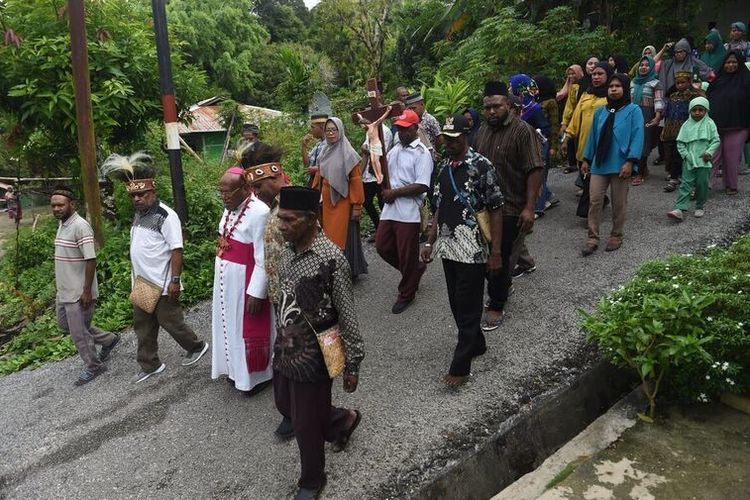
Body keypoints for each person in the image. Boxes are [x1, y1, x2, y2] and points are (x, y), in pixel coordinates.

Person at [273, 186, 364, 500]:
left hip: (315, 352)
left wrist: (352, 363)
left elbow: (348, 316)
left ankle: (312, 479)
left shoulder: (331, 259)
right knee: (285, 404)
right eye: (279, 219)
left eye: (288, 220)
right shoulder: (287, 251)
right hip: (286, 342)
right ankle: (342, 421)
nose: (280, 226)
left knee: (304, 423)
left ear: (311, 220)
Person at [100, 152, 209, 383]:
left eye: (141, 194)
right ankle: (150, 365)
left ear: (153, 192)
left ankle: (197, 347)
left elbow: (176, 249)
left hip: (162, 283)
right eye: (133, 196)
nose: (137, 199)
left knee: (172, 323)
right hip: (142, 283)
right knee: (143, 326)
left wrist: (175, 281)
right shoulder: (139, 215)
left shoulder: (166, 216)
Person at [421, 114, 504, 387]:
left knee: (468, 306)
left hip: (472, 248)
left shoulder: (481, 165)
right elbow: (438, 208)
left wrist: (495, 252)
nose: (450, 144)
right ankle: (476, 344)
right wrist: (429, 241)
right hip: (448, 246)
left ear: (465, 136)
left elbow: (496, 208)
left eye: (455, 139)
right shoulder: (443, 166)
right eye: (447, 139)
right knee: (456, 302)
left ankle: (460, 366)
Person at [474, 81, 543, 331]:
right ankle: (503, 286)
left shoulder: (522, 131)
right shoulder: (482, 131)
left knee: (499, 256)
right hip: (483, 208)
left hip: (510, 207)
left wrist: (529, 207)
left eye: (497, 106)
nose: (492, 111)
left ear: (509, 105)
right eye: (488, 107)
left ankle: (497, 304)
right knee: (482, 256)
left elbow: (535, 169)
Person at [211, 166, 273, 395]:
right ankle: (235, 371)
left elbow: (264, 256)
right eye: (221, 192)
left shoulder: (260, 212)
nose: (224, 197)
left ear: (245, 188)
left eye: (228, 192)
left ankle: (257, 377)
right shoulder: (230, 207)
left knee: (245, 328)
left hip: (245, 282)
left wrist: (256, 292)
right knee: (229, 326)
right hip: (227, 281)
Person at [51, 186, 119, 385]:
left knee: (79, 333)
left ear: (72, 205)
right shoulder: (63, 224)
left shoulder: (80, 226)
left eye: (60, 205)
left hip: (78, 292)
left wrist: (87, 291)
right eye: (54, 205)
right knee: (67, 326)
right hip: (64, 290)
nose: (56, 209)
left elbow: (91, 259)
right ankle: (109, 340)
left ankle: (94, 366)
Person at [376, 109, 433, 314]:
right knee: (382, 246)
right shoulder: (394, 150)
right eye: (399, 129)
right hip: (390, 209)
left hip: (408, 210)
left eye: (406, 129)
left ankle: (407, 292)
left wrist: (396, 193)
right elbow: (384, 172)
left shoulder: (422, 153)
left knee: (407, 253)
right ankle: (414, 271)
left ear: (416, 128)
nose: (401, 133)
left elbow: (422, 185)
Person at [580, 74, 644, 256]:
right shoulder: (601, 111)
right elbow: (593, 137)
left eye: (617, 86)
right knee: (594, 200)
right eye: (611, 86)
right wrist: (586, 158)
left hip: (621, 164)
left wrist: (630, 161)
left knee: (619, 203)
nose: (613, 89)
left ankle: (616, 235)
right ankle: (592, 237)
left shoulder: (633, 110)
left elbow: (637, 136)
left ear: (624, 89)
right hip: (600, 163)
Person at [313, 117, 368, 276]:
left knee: (342, 236)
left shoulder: (348, 153)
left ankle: (348, 270)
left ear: (340, 130)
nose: (331, 134)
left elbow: (356, 181)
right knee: (328, 236)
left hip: (343, 202)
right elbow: (320, 175)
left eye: (334, 130)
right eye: (328, 130)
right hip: (327, 201)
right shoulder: (324, 151)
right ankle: (333, 269)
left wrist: (357, 206)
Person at [563, 62, 612, 217]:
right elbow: (576, 118)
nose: (596, 77)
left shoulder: (612, 97)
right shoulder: (586, 95)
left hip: (601, 147)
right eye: (594, 74)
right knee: (586, 180)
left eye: (600, 74)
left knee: (592, 183)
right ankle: (601, 200)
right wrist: (567, 137)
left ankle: (589, 214)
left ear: (608, 76)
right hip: (583, 146)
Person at [667, 97, 721, 221]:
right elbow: (680, 143)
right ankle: (680, 208)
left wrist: (709, 152)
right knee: (685, 184)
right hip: (689, 161)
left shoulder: (710, 123)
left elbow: (716, 140)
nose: (697, 112)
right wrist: (686, 155)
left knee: (702, 184)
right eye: (694, 110)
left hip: (704, 161)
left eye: (700, 110)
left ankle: (700, 205)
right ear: (690, 111)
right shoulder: (686, 125)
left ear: (706, 110)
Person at [706, 51, 750, 195]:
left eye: (734, 62)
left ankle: (731, 185)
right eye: (728, 62)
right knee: (713, 155)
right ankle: (705, 185)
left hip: (739, 125)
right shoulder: (717, 81)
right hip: (716, 125)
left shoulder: (746, 80)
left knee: (731, 156)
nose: (730, 65)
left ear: (740, 63)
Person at [661, 71, 705, 192]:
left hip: (688, 129)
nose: (680, 85)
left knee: (688, 155)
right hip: (673, 130)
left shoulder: (694, 96)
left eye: (683, 82)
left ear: (689, 82)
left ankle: (689, 180)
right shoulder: (673, 96)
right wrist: (665, 128)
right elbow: (668, 113)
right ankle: (674, 178)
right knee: (674, 154)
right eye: (677, 83)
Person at [630, 56, 664, 185]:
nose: (643, 67)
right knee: (633, 141)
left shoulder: (655, 83)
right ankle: (639, 169)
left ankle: (640, 172)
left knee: (644, 143)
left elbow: (658, 100)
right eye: (641, 65)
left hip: (647, 114)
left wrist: (657, 117)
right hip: (633, 114)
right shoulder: (633, 82)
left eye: (646, 65)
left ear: (651, 67)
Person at [360, 114, 393, 242]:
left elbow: (380, 152)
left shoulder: (384, 131)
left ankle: (388, 231)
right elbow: (365, 146)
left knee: (382, 201)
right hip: (369, 173)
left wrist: (367, 151)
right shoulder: (370, 130)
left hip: (380, 171)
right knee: (366, 201)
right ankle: (379, 227)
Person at [558, 64, 585, 173]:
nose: (571, 76)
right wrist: (564, 122)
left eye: (573, 73)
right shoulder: (571, 86)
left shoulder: (583, 85)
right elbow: (569, 106)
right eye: (569, 74)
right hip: (572, 118)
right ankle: (574, 164)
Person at [302, 113, 328, 186]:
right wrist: (304, 146)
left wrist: (317, 169)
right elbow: (307, 165)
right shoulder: (318, 146)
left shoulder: (331, 145)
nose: (311, 130)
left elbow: (334, 165)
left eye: (313, 127)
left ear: (322, 127)